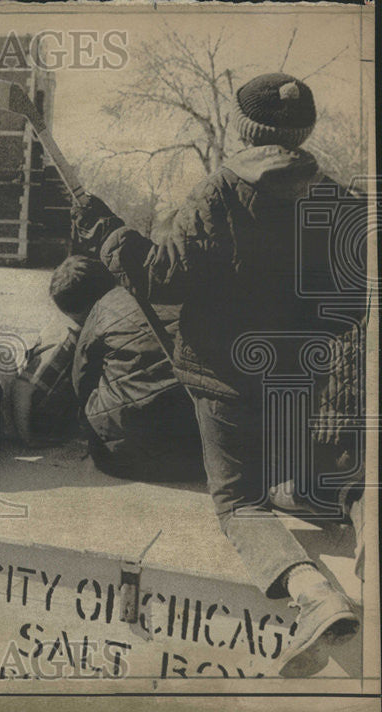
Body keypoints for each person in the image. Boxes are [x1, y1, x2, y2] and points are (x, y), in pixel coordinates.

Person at [97, 72, 363, 677]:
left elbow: (164, 276)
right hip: (302, 380)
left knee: (239, 502)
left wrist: (115, 240)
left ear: (245, 129)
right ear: (306, 131)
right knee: (294, 482)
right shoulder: (341, 201)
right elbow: (350, 303)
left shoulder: (219, 191)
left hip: (226, 385)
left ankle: (313, 595)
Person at [72, 282, 204, 482]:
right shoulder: (215, 301)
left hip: (114, 454)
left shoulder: (109, 301)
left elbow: (82, 373)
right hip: (193, 457)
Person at [6, 255, 114, 447]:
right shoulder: (67, 340)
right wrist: (27, 437)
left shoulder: (69, 327)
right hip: (45, 421)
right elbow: (22, 387)